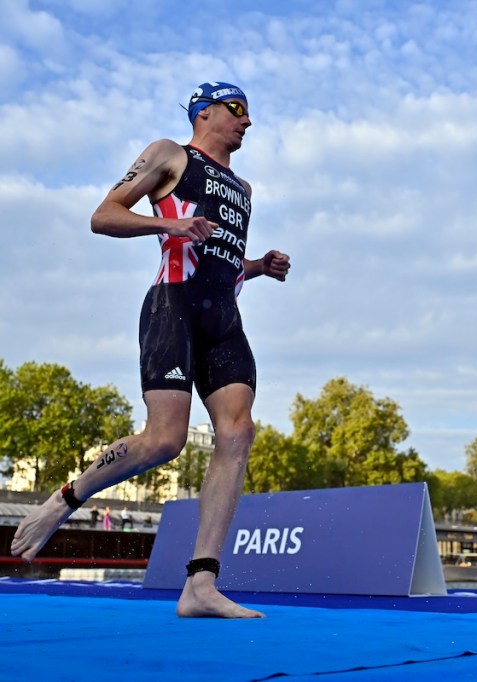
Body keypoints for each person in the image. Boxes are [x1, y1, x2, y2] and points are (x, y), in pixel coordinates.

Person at [10, 81, 290, 619]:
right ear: (204, 111)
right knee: (165, 440)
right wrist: (168, 222)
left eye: (249, 115)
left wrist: (257, 266)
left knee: (239, 431)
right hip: (173, 305)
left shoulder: (244, 189)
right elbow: (104, 215)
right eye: (238, 111)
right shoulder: (169, 154)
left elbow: (222, 262)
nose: (247, 123)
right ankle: (65, 500)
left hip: (224, 317)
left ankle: (200, 584)